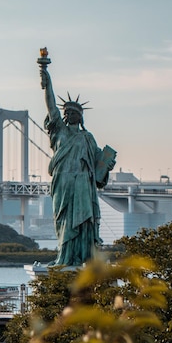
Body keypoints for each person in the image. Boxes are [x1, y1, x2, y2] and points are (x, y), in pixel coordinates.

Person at [40, 63, 116, 267]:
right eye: (67, 112)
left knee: (85, 221)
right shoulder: (59, 132)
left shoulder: (87, 137)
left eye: (74, 112)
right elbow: (51, 105)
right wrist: (47, 82)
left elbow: (99, 165)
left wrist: (107, 165)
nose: (70, 114)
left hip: (83, 183)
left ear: (80, 116)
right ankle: (65, 256)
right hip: (63, 182)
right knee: (64, 220)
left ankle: (85, 256)